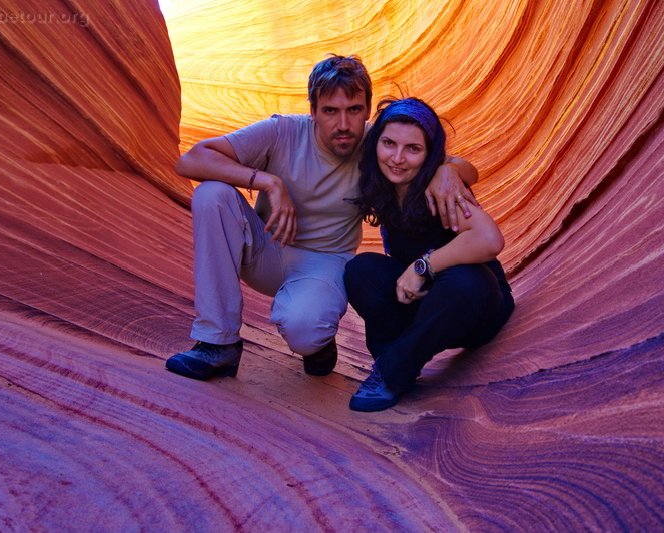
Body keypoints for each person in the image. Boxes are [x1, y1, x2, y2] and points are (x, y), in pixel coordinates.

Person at [165, 55, 479, 381]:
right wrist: (268, 182)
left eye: (353, 110)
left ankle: (319, 343)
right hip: (265, 249)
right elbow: (191, 161)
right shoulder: (283, 132)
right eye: (330, 111)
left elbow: (463, 166)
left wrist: (447, 170)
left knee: (304, 330)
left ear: (367, 110)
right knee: (212, 195)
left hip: (325, 261)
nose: (343, 125)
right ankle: (218, 342)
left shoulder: (381, 144)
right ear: (313, 111)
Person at [344, 97, 515, 412]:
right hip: (425, 303)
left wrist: (424, 266)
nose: (397, 158)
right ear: (375, 144)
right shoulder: (381, 181)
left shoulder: (440, 189)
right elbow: (467, 167)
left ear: (429, 154)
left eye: (413, 149)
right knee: (360, 270)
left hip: (475, 307)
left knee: (466, 281)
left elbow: (490, 239)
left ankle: (392, 373)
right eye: (389, 144)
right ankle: (394, 357)